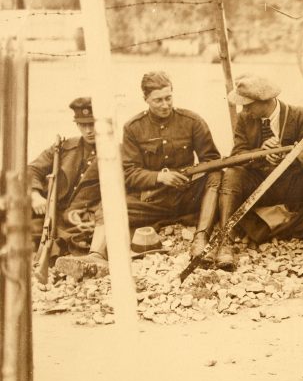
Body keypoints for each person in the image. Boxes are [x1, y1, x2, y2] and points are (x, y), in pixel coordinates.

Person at [84, 72, 222, 264]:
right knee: (109, 207)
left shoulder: (192, 122)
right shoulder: (133, 128)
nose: (165, 105)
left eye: (168, 98)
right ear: (146, 99)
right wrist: (160, 177)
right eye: (158, 100)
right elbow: (129, 172)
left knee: (216, 175)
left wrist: (192, 175)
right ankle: (95, 256)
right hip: (153, 200)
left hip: (188, 197)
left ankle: (201, 238)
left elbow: (212, 160)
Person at [215, 74, 303, 271]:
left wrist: (288, 157)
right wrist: (261, 153)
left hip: (290, 185)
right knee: (231, 174)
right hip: (260, 186)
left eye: (248, 105)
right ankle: (225, 241)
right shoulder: (245, 119)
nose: (244, 109)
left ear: (265, 101)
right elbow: (237, 154)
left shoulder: (299, 115)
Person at [27, 96, 101, 255]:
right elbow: (31, 170)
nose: (88, 130)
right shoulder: (63, 148)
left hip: (77, 219)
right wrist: (34, 195)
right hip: (49, 213)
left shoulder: (112, 155)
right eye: (83, 125)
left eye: (92, 124)